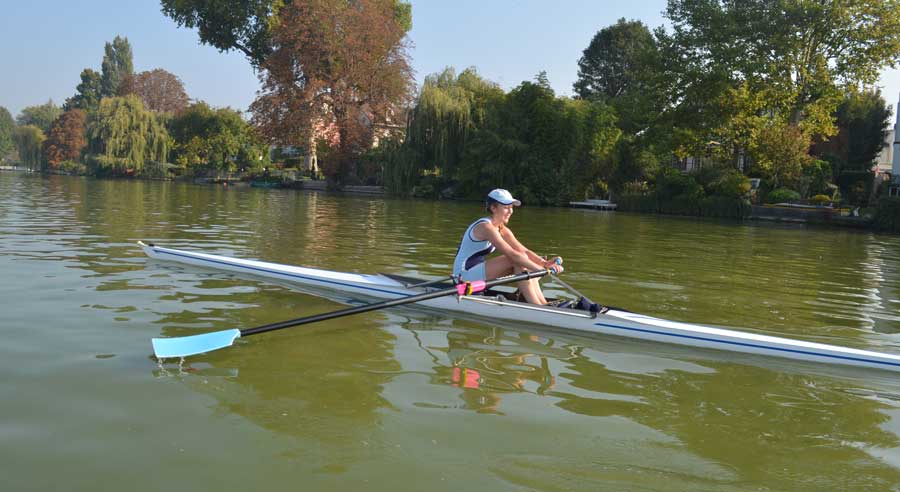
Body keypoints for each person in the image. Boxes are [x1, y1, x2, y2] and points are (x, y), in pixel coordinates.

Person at [452, 188, 562, 304]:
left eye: (511, 207)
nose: (510, 211)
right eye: (506, 207)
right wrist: (541, 270)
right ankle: (538, 306)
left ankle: (542, 303)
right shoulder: (485, 227)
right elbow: (513, 255)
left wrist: (544, 263)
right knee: (517, 259)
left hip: (477, 277)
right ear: (493, 208)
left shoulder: (502, 229)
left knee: (524, 259)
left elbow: (523, 250)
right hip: (463, 279)